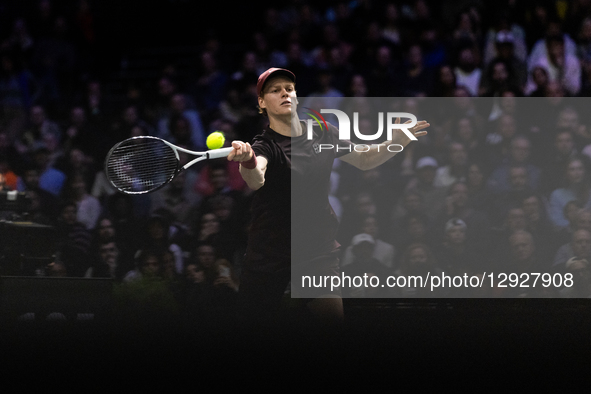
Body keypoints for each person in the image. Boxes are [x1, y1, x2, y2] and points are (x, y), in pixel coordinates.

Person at [226, 68, 430, 330]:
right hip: (269, 249)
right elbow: (256, 179)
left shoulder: (323, 132)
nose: (285, 93)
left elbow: (365, 159)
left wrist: (397, 142)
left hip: (315, 249)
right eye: (275, 90)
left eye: (289, 88)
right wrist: (249, 159)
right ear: (262, 103)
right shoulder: (265, 145)